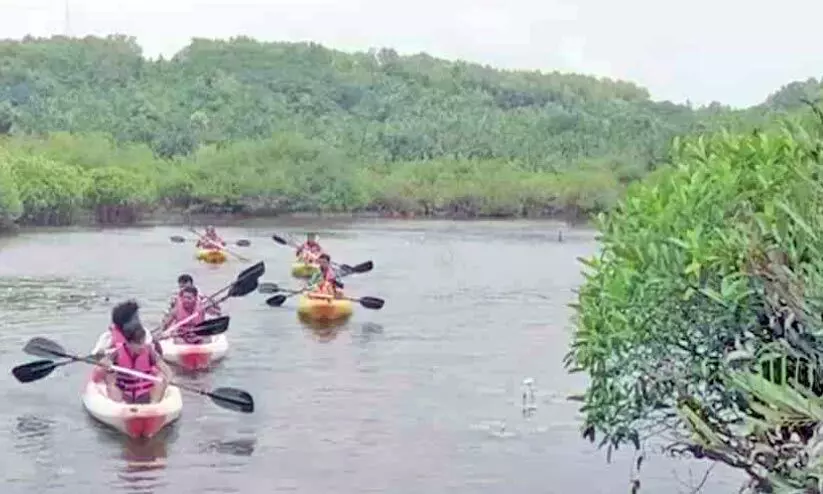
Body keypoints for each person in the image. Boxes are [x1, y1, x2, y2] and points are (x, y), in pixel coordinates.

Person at [99, 313, 173, 404]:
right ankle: (119, 406)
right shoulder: (118, 352)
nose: (142, 346)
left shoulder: (149, 351)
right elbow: (104, 361)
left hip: (145, 392)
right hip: (124, 392)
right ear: (128, 343)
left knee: (161, 378)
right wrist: (106, 364)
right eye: (138, 344)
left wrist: (168, 376)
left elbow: (163, 366)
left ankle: (154, 404)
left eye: (143, 342)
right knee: (111, 381)